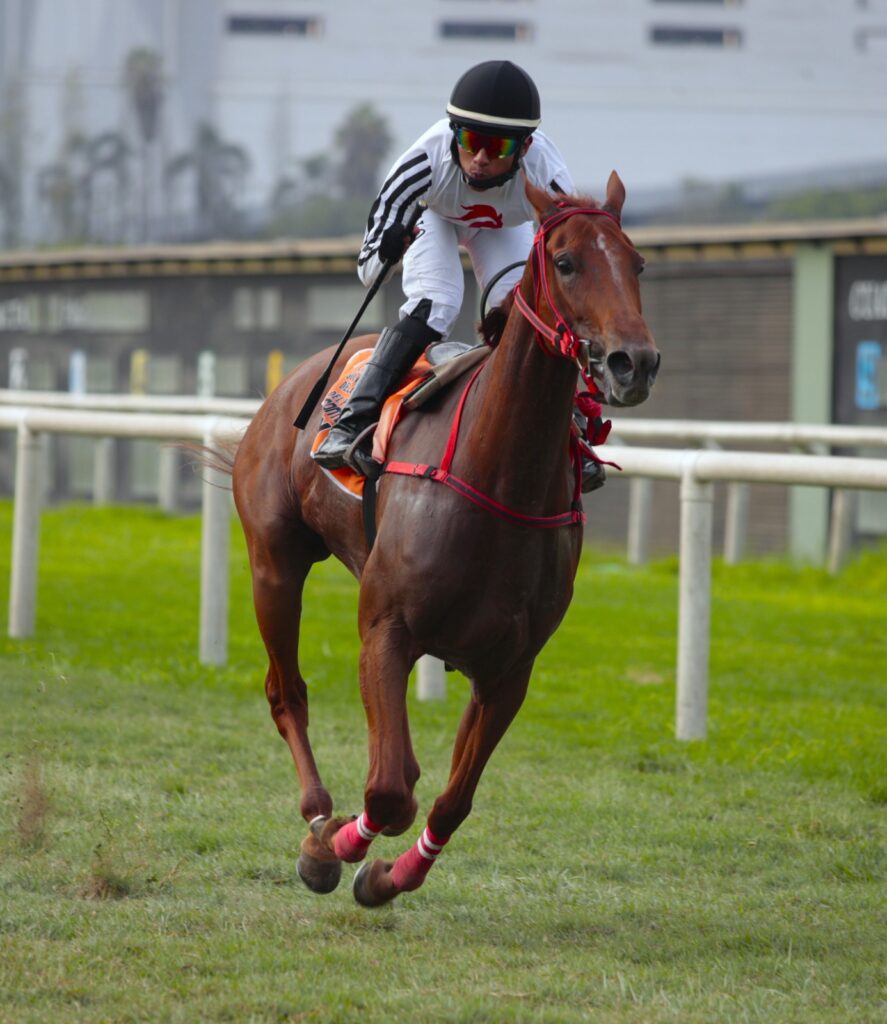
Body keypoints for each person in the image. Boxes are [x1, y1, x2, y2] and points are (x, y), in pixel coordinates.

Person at [312, 59, 606, 491]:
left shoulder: (547, 170)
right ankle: (352, 420)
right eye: (470, 140)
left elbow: (573, 245)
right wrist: (392, 251)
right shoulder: (420, 164)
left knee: (527, 311)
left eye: (498, 147)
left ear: (525, 149)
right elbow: (368, 269)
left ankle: (572, 431)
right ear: (454, 133)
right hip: (434, 217)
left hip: (504, 228)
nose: (481, 159)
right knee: (438, 302)